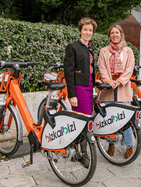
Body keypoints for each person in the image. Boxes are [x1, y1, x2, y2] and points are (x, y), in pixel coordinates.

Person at [97, 24, 135, 159]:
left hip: (122, 87)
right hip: (108, 88)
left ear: (121, 34)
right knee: (109, 118)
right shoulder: (103, 51)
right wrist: (109, 81)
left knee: (125, 118)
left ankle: (129, 144)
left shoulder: (128, 51)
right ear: (109, 35)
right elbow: (101, 67)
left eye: (117, 32)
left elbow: (130, 68)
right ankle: (110, 143)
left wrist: (119, 81)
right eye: (112, 33)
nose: (114, 35)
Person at [63, 17, 97, 168]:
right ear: (80, 30)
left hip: (89, 86)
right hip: (79, 88)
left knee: (84, 119)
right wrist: (72, 94)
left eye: (90, 30)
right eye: (85, 29)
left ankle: (76, 151)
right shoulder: (73, 47)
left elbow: (90, 69)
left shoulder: (89, 48)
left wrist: (94, 86)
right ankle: (83, 153)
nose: (88, 32)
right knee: (84, 121)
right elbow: (68, 72)